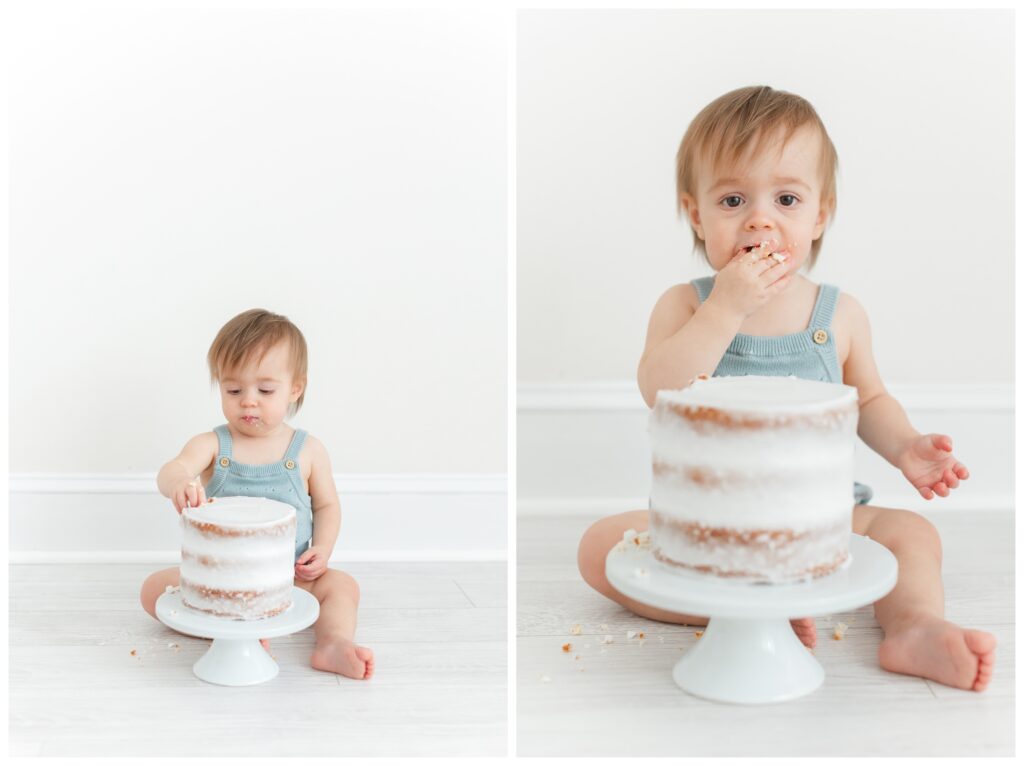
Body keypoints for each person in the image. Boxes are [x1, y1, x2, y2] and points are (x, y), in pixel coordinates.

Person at [577, 85, 995, 692]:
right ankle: (736, 612)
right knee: (599, 548)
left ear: (819, 215)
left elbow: (870, 400)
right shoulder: (685, 306)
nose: (760, 218)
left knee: (912, 534)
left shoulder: (839, 315)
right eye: (733, 199)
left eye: (787, 198)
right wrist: (725, 309)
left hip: (825, 520)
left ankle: (915, 627)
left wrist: (907, 447)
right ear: (696, 214)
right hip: (705, 531)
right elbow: (660, 388)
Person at [140, 308, 374, 680]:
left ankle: (333, 643)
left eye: (265, 390)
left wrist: (323, 550)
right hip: (223, 584)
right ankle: (232, 634)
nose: (248, 401)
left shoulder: (308, 450)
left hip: (292, 576)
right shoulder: (214, 444)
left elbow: (327, 506)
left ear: (295, 388)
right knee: (153, 589)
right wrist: (179, 484)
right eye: (233, 390)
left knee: (343, 587)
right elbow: (173, 468)